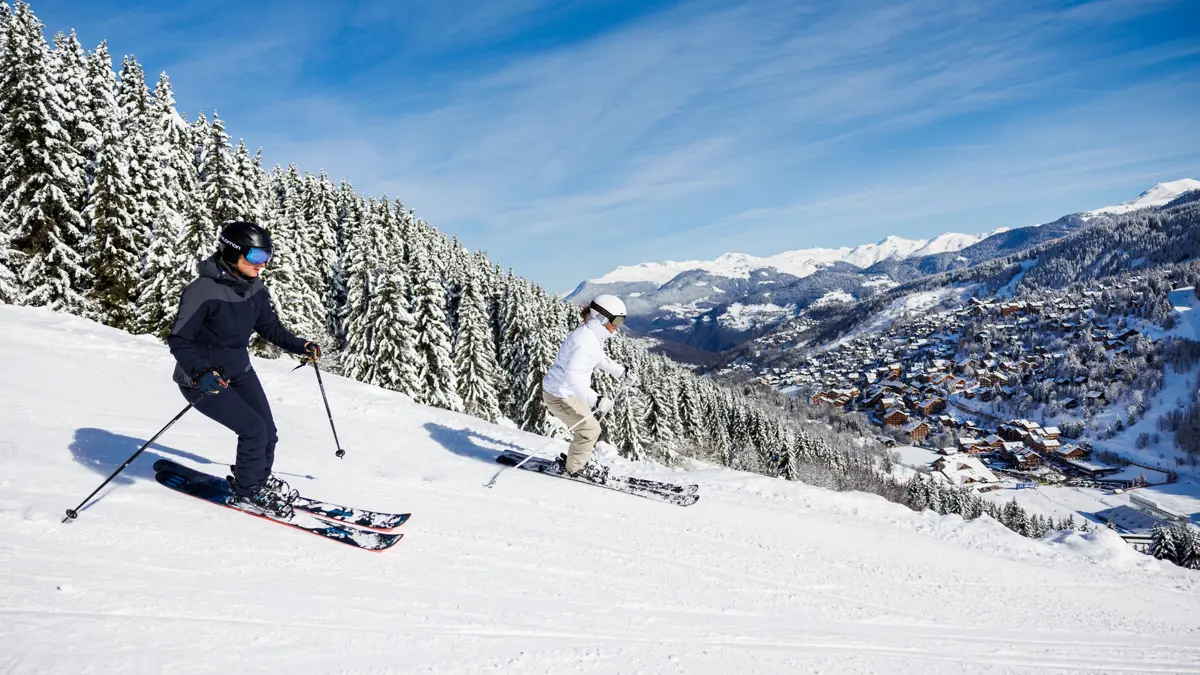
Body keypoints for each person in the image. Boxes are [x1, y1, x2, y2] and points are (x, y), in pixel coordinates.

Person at [167, 221, 321, 515]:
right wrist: (201, 373)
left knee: (269, 432)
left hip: (239, 371)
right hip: (202, 379)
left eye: (267, 256)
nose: (262, 264)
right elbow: (179, 339)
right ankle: (248, 493)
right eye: (255, 257)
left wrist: (300, 345)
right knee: (253, 430)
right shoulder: (202, 291)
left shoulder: (255, 288)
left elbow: (270, 328)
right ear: (231, 252)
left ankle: (256, 480)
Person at [541, 294, 636, 479]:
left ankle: (578, 461)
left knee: (589, 429)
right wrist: (595, 399)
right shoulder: (583, 341)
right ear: (601, 317)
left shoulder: (592, 335)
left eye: (621, 321)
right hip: (559, 395)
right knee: (589, 429)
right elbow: (572, 375)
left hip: (569, 393)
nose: (617, 326)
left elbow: (598, 358)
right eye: (616, 320)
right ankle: (575, 469)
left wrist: (620, 371)